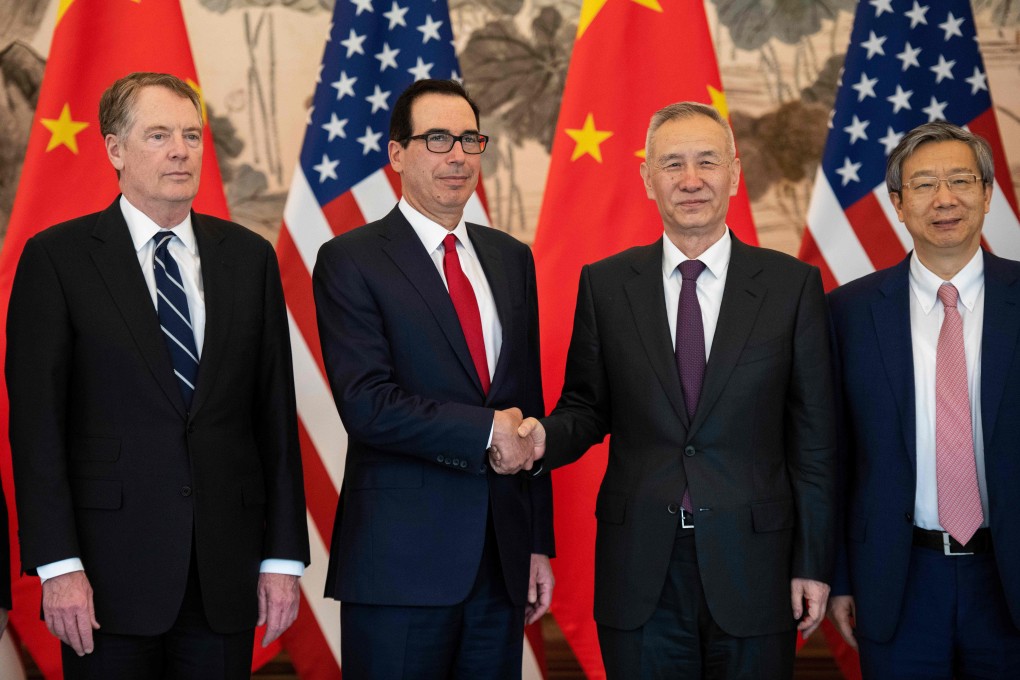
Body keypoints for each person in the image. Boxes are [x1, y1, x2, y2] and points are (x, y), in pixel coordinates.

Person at [5, 72, 309, 679]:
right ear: (115, 150)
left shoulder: (249, 259)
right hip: (104, 580)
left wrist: (283, 558)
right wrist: (58, 567)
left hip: (224, 575)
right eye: (160, 134)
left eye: (192, 135)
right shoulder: (56, 259)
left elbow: (274, 417)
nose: (181, 150)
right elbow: (36, 429)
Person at [516, 101, 836, 679]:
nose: (691, 180)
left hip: (756, 568)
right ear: (647, 179)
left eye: (707, 162)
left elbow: (815, 442)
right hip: (641, 570)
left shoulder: (792, 286)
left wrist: (813, 562)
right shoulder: (607, 284)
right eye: (672, 164)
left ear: (735, 174)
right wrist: (541, 436)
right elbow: (587, 408)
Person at [312, 78, 555, 679]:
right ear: (397, 155)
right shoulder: (351, 258)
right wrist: (484, 433)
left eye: (470, 140)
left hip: (500, 563)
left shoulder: (510, 257)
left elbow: (528, 406)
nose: (457, 156)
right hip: (399, 564)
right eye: (438, 138)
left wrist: (536, 541)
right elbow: (367, 405)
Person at [827, 121, 1020, 677]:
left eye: (960, 180)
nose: (945, 199)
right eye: (924, 185)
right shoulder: (848, 314)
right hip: (897, 579)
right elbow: (833, 458)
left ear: (987, 194)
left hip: (1009, 580)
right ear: (897, 203)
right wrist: (840, 576)